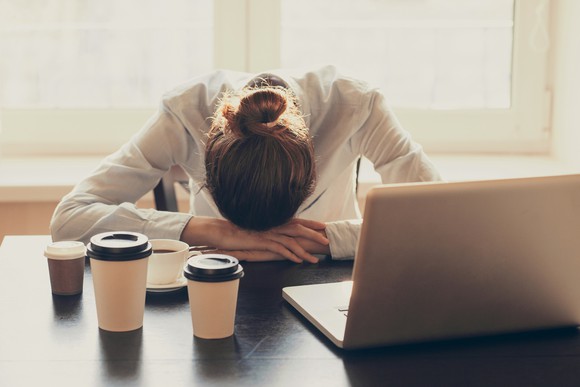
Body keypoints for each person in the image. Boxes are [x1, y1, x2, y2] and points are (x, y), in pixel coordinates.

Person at [50, 65, 441, 263]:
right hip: (217, 268)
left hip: (328, 275)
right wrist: (210, 231)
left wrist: (325, 239)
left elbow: (442, 218)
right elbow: (70, 218)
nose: (266, 238)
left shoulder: (357, 105)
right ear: (208, 163)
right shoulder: (185, 110)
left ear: (311, 167)